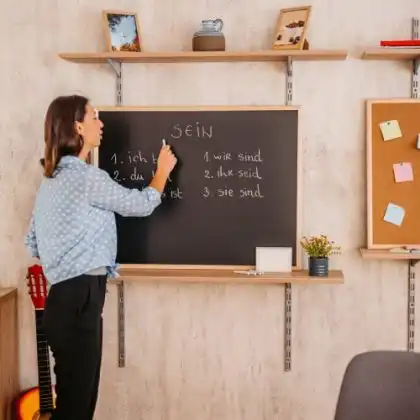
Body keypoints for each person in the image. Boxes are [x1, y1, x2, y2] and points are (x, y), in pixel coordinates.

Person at [24, 94, 177, 420]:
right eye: (94, 116)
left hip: (60, 301)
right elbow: (141, 204)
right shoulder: (86, 177)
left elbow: (33, 241)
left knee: (70, 402)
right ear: (78, 126)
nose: (101, 122)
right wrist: (162, 171)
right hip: (82, 297)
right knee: (78, 408)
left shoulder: (50, 182)